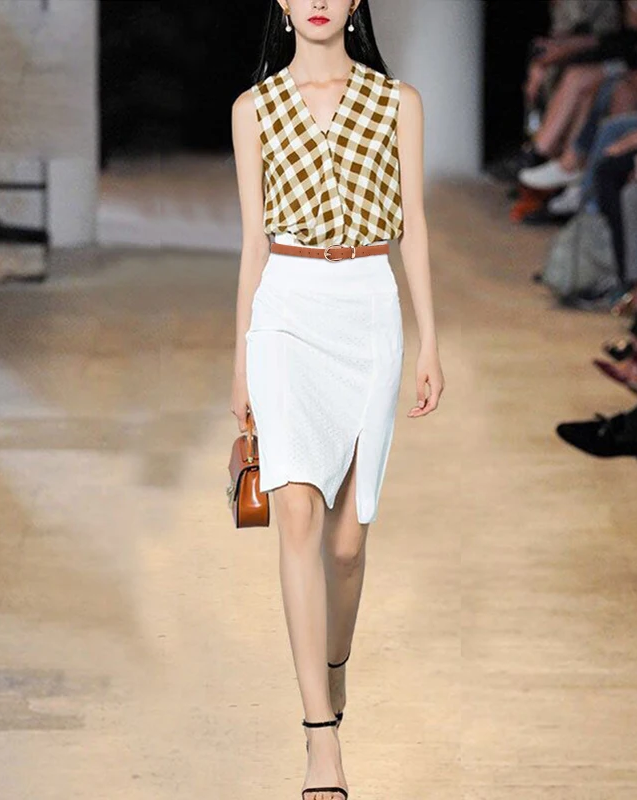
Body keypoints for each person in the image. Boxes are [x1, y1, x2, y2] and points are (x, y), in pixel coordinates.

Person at [229, 2, 444, 798]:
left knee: (348, 545)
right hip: (287, 310)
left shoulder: (398, 102)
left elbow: (413, 226)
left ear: (355, 1)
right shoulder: (253, 109)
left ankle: (334, 663)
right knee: (295, 513)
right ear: (282, 5)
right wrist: (240, 362)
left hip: (367, 308)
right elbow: (253, 242)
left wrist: (429, 339)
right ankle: (321, 739)